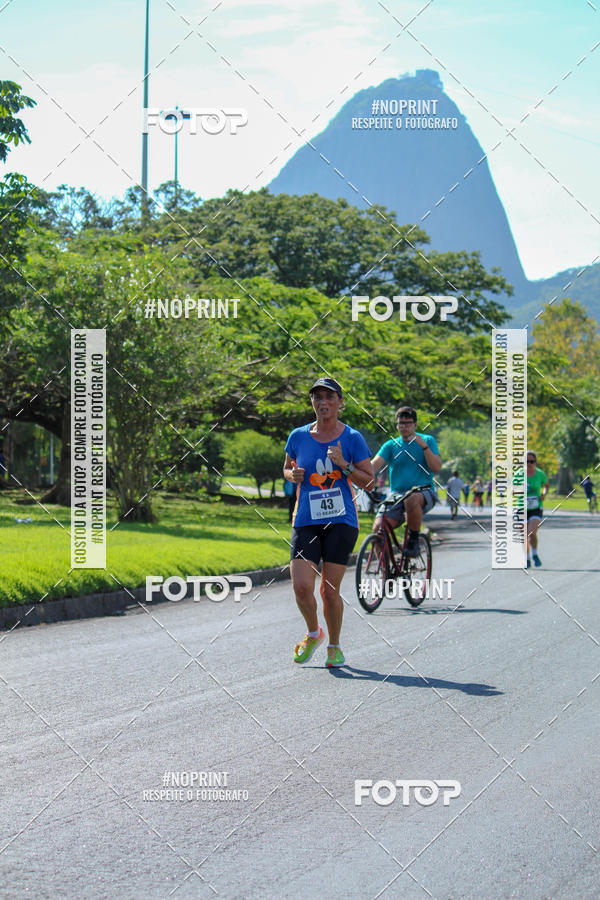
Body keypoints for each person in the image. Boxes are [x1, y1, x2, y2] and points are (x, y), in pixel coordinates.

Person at [283, 377, 374, 668]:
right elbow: (287, 468)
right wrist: (293, 475)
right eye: (317, 397)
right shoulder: (298, 436)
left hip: (341, 521)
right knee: (301, 587)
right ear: (312, 402)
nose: (323, 402)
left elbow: (369, 481)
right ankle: (314, 633)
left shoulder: (352, 438)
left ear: (340, 402)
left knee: (329, 590)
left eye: (329, 397)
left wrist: (344, 465)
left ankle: (334, 646)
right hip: (306, 520)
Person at [370, 405, 441, 556]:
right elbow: (372, 467)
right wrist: (349, 469)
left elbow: (436, 468)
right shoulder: (391, 445)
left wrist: (424, 447)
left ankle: (413, 540)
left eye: (408, 423)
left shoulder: (427, 440)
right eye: (400, 423)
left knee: (411, 498)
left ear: (415, 424)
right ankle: (386, 568)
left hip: (424, 491)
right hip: (396, 494)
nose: (404, 427)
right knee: (378, 530)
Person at [526, 451, 549, 567]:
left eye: (532, 461)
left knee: (532, 532)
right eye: (527, 461)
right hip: (521, 507)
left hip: (536, 507)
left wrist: (544, 494)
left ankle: (534, 554)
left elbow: (546, 486)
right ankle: (526, 558)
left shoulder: (540, 474)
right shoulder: (519, 474)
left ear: (535, 462)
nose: (529, 463)